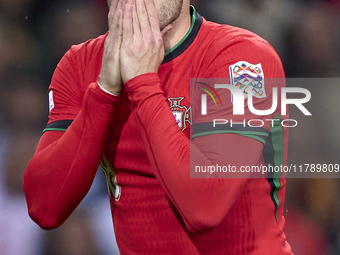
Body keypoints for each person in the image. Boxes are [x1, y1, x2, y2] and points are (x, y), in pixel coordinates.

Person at [23, 0, 293, 254]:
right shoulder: (80, 65)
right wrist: (104, 91)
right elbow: (45, 207)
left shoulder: (244, 61)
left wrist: (142, 83)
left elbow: (205, 206)